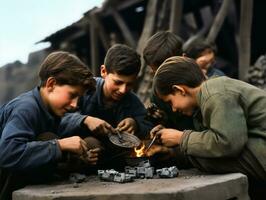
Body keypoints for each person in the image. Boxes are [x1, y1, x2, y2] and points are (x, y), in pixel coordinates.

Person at [150, 56, 266, 184]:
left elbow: (228, 144)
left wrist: (181, 138)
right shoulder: (209, 93)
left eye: (170, 102)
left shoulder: (215, 94)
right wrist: (173, 150)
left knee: (204, 158)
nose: (173, 109)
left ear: (179, 90)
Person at [0, 51, 98, 199]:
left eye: (79, 98)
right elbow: (7, 154)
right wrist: (59, 145)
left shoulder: (51, 111)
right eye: (72, 95)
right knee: (48, 138)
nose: (75, 104)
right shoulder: (26, 108)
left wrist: (76, 156)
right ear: (51, 84)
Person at [60, 44, 153, 169]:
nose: (123, 90)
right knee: (91, 144)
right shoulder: (84, 89)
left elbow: (148, 124)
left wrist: (135, 123)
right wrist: (85, 120)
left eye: (129, 84)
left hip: (114, 154)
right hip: (81, 149)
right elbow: (59, 117)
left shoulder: (132, 100)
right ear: (103, 71)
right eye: (118, 82)